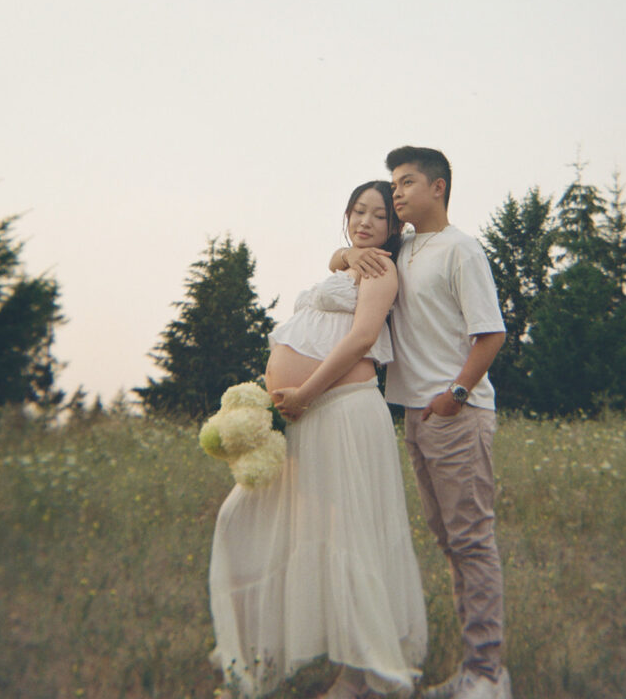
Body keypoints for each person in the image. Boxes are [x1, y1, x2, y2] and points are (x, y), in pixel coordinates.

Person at [208, 181, 427, 699]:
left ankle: (360, 675)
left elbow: (361, 337)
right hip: (307, 416)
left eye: (379, 216)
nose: (365, 222)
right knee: (249, 519)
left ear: (395, 229)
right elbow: (338, 267)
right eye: (357, 212)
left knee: (351, 536)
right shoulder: (347, 263)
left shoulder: (383, 270)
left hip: (343, 412)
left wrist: (303, 391)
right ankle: (266, 650)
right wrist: (345, 252)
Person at [331, 147, 511, 699]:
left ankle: (488, 675)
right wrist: (344, 254)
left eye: (407, 182)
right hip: (416, 415)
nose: (397, 193)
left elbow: (492, 333)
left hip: (455, 415)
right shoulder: (404, 247)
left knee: (472, 541)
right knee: (450, 541)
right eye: (394, 184)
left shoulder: (461, 249)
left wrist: (455, 395)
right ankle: (472, 670)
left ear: (438, 187)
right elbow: (348, 256)